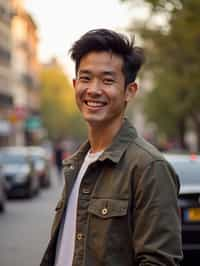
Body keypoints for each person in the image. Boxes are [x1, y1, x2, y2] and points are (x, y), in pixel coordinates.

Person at [40, 29, 183, 266]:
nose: (94, 90)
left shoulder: (149, 167)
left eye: (107, 80)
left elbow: (159, 261)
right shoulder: (76, 164)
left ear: (130, 91)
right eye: (85, 78)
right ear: (75, 84)